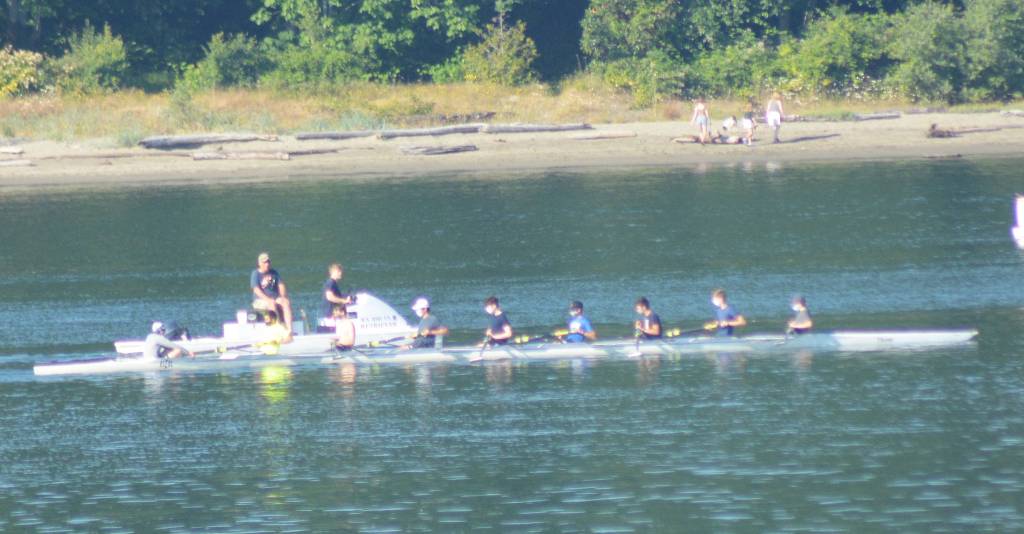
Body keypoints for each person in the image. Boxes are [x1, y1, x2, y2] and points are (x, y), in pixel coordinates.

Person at [251, 252, 293, 333]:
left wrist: (282, 296)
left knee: (285, 303)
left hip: (274, 297)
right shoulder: (255, 274)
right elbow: (256, 289)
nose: (267, 264)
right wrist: (267, 299)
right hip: (260, 300)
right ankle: (276, 329)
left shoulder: (274, 273)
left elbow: (281, 285)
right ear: (259, 263)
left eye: (268, 262)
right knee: (271, 304)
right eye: (264, 262)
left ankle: (289, 329)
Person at [319, 263, 353, 331]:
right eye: (339, 271)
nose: (341, 273)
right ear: (334, 272)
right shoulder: (330, 283)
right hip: (331, 314)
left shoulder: (333, 283)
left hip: (333, 314)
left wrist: (346, 297)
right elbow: (330, 297)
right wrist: (344, 301)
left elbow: (336, 295)